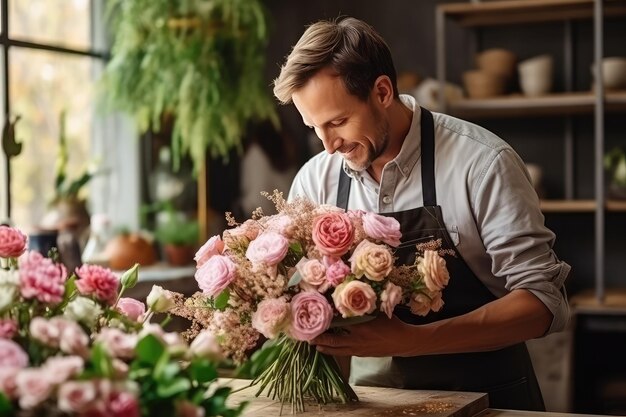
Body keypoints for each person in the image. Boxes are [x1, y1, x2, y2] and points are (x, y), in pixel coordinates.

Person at [274, 17, 570, 411]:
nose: (327, 146)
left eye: (339, 122)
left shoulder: (482, 163)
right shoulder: (316, 180)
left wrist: (416, 341)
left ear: (382, 91)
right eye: (315, 127)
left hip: (490, 396)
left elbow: (542, 304)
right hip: (374, 401)